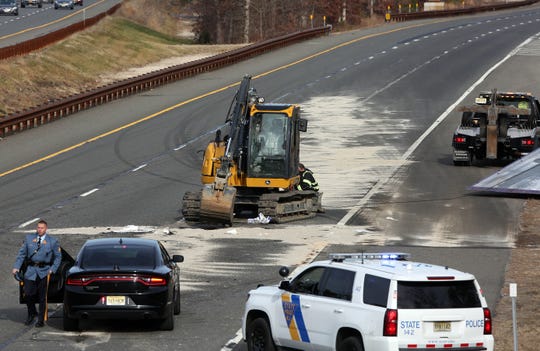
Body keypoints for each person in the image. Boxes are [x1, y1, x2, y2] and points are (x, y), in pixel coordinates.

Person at [12, 220, 62, 328]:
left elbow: (58, 257)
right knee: (28, 294)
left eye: (42, 228)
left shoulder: (52, 241)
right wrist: (16, 267)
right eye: (38, 227)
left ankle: (40, 320)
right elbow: (21, 254)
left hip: (44, 271)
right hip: (31, 271)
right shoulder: (29, 238)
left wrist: (53, 269)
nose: (39, 230)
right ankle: (31, 313)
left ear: (46, 229)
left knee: (42, 297)